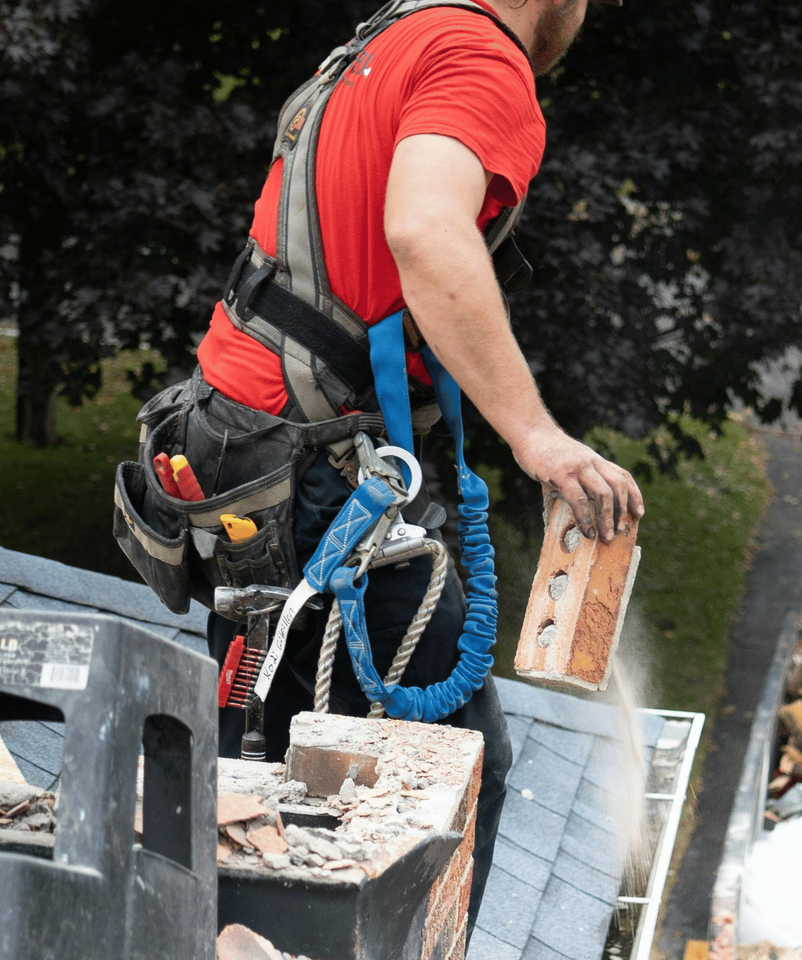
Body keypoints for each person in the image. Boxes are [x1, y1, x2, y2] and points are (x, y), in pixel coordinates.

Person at [161, 0, 640, 935]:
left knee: (257, 758)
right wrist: (538, 438)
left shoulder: (391, 38)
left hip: (240, 451)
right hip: (313, 474)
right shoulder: (480, 60)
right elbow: (425, 231)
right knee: (433, 779)